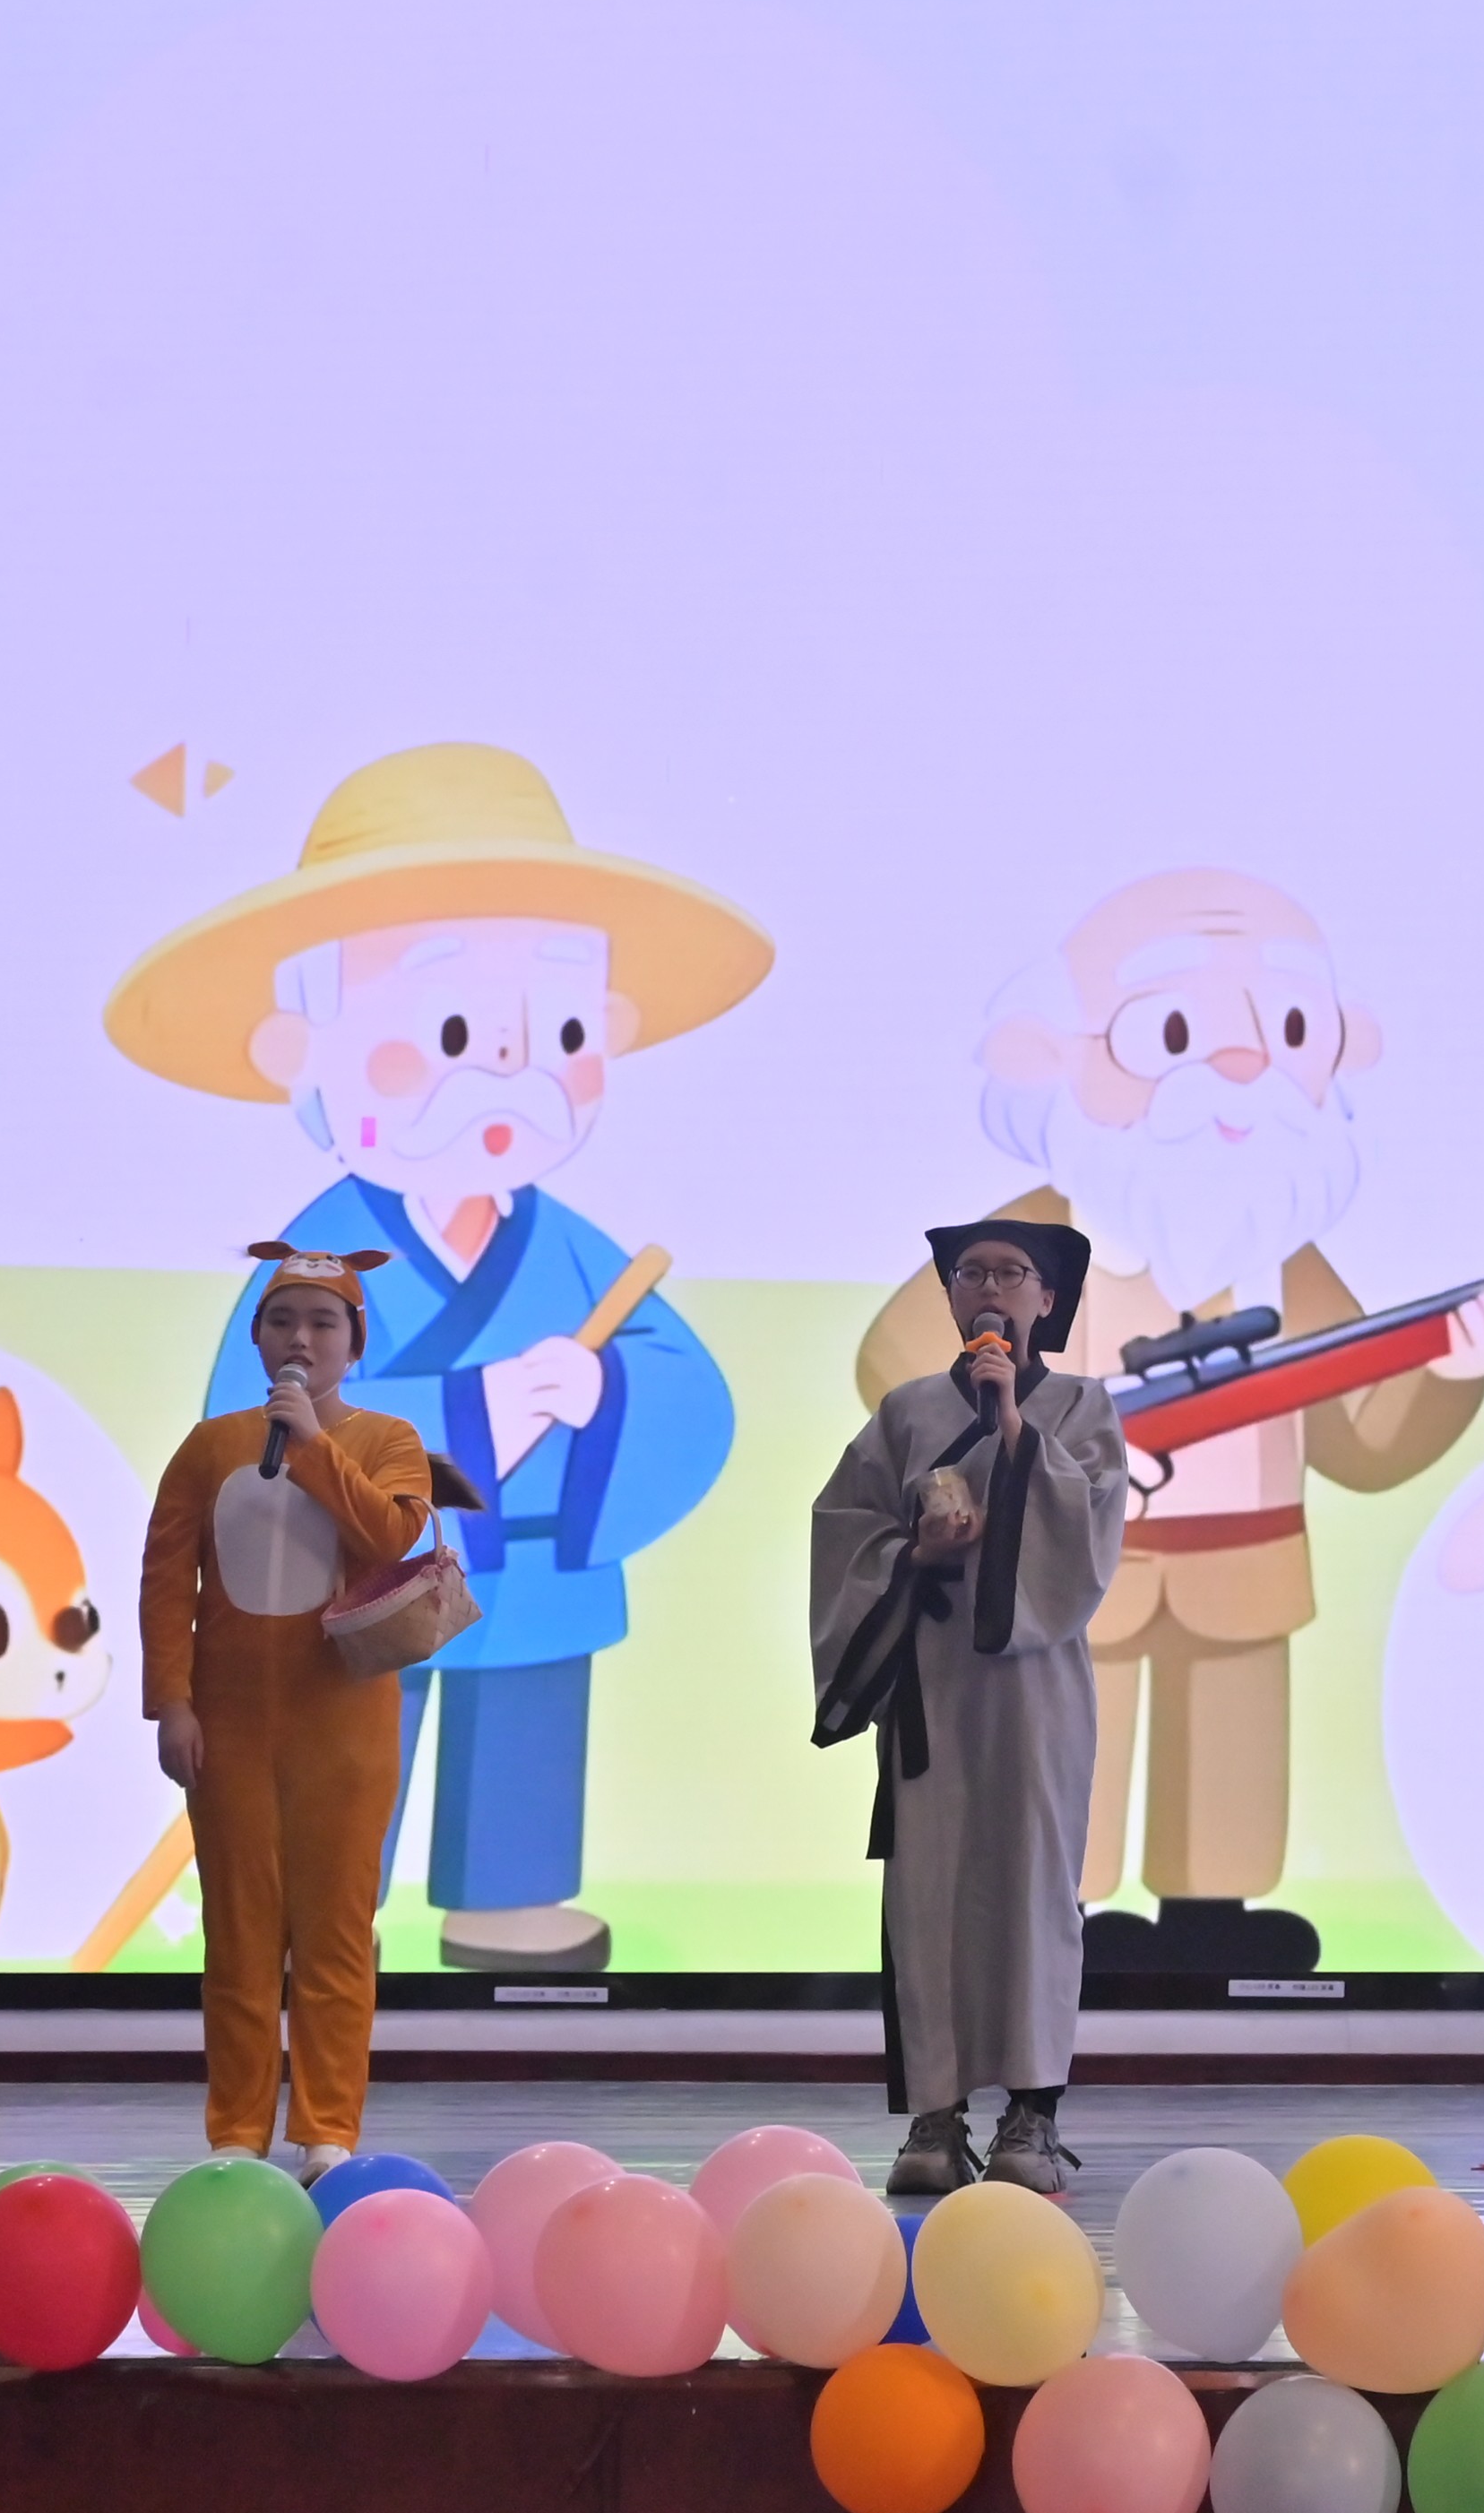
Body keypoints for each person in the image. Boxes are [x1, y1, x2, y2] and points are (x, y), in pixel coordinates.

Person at [107, 741, 764, 1977]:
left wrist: (603, 1392)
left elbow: (691, 1395)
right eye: (451, 1026)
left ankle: (509, 1901)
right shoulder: (317, 1255)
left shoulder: (571, 1249)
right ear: (302, 1049)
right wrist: (468, 1412)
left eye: (558, 1027)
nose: (507, 1066)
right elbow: (249, 1426)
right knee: (347, 1742)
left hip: (533, 1569)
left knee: (524, 1714)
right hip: (358, 1576)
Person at [852, 869, 1484, 1975]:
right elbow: (900, 1368)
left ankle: (1208, 1914)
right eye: (1172, 1031)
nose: (1239, 1067)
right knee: (1070, 1757)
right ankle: (1062, 1914)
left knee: (1230, 1750)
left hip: (1243, 1567)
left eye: (1288, 1030)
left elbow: (1362, 1439)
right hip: (1069, 1570)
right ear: (1056, 1053)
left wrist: (1453, 1367)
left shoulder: (1284, 1260)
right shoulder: (1027, 1246)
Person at [812, 1222, 1135, 2198]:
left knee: (1033, 1890)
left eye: (1011, 1273)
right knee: (930, 1894)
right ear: (952, 1295)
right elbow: (846, 1530)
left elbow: (1090, 1529)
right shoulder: (905, 1411)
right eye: (972, 1272)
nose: (990, 1287)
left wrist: (1014, 1430)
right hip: (933, 1682)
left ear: (1047, 1298)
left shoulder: (1082, 1406)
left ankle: (1032, 2116)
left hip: (1035, 1694)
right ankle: (934, 2116)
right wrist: (914, 1553)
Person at [141, 1241, 438, 2176]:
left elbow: (389, 1537)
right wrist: (171, 1701)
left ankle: (326, 2128)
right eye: (281, 1321)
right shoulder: (210, 1446)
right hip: (225, 1725)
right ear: (257, 1336)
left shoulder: (389, 1441)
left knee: (335, 1932)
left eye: (321, 1322)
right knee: (237, 1934)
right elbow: (167, 1579)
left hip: (344, 1724)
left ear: (355, 1340)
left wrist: (312, 1445)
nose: (299, 1339)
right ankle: (236, 2131)